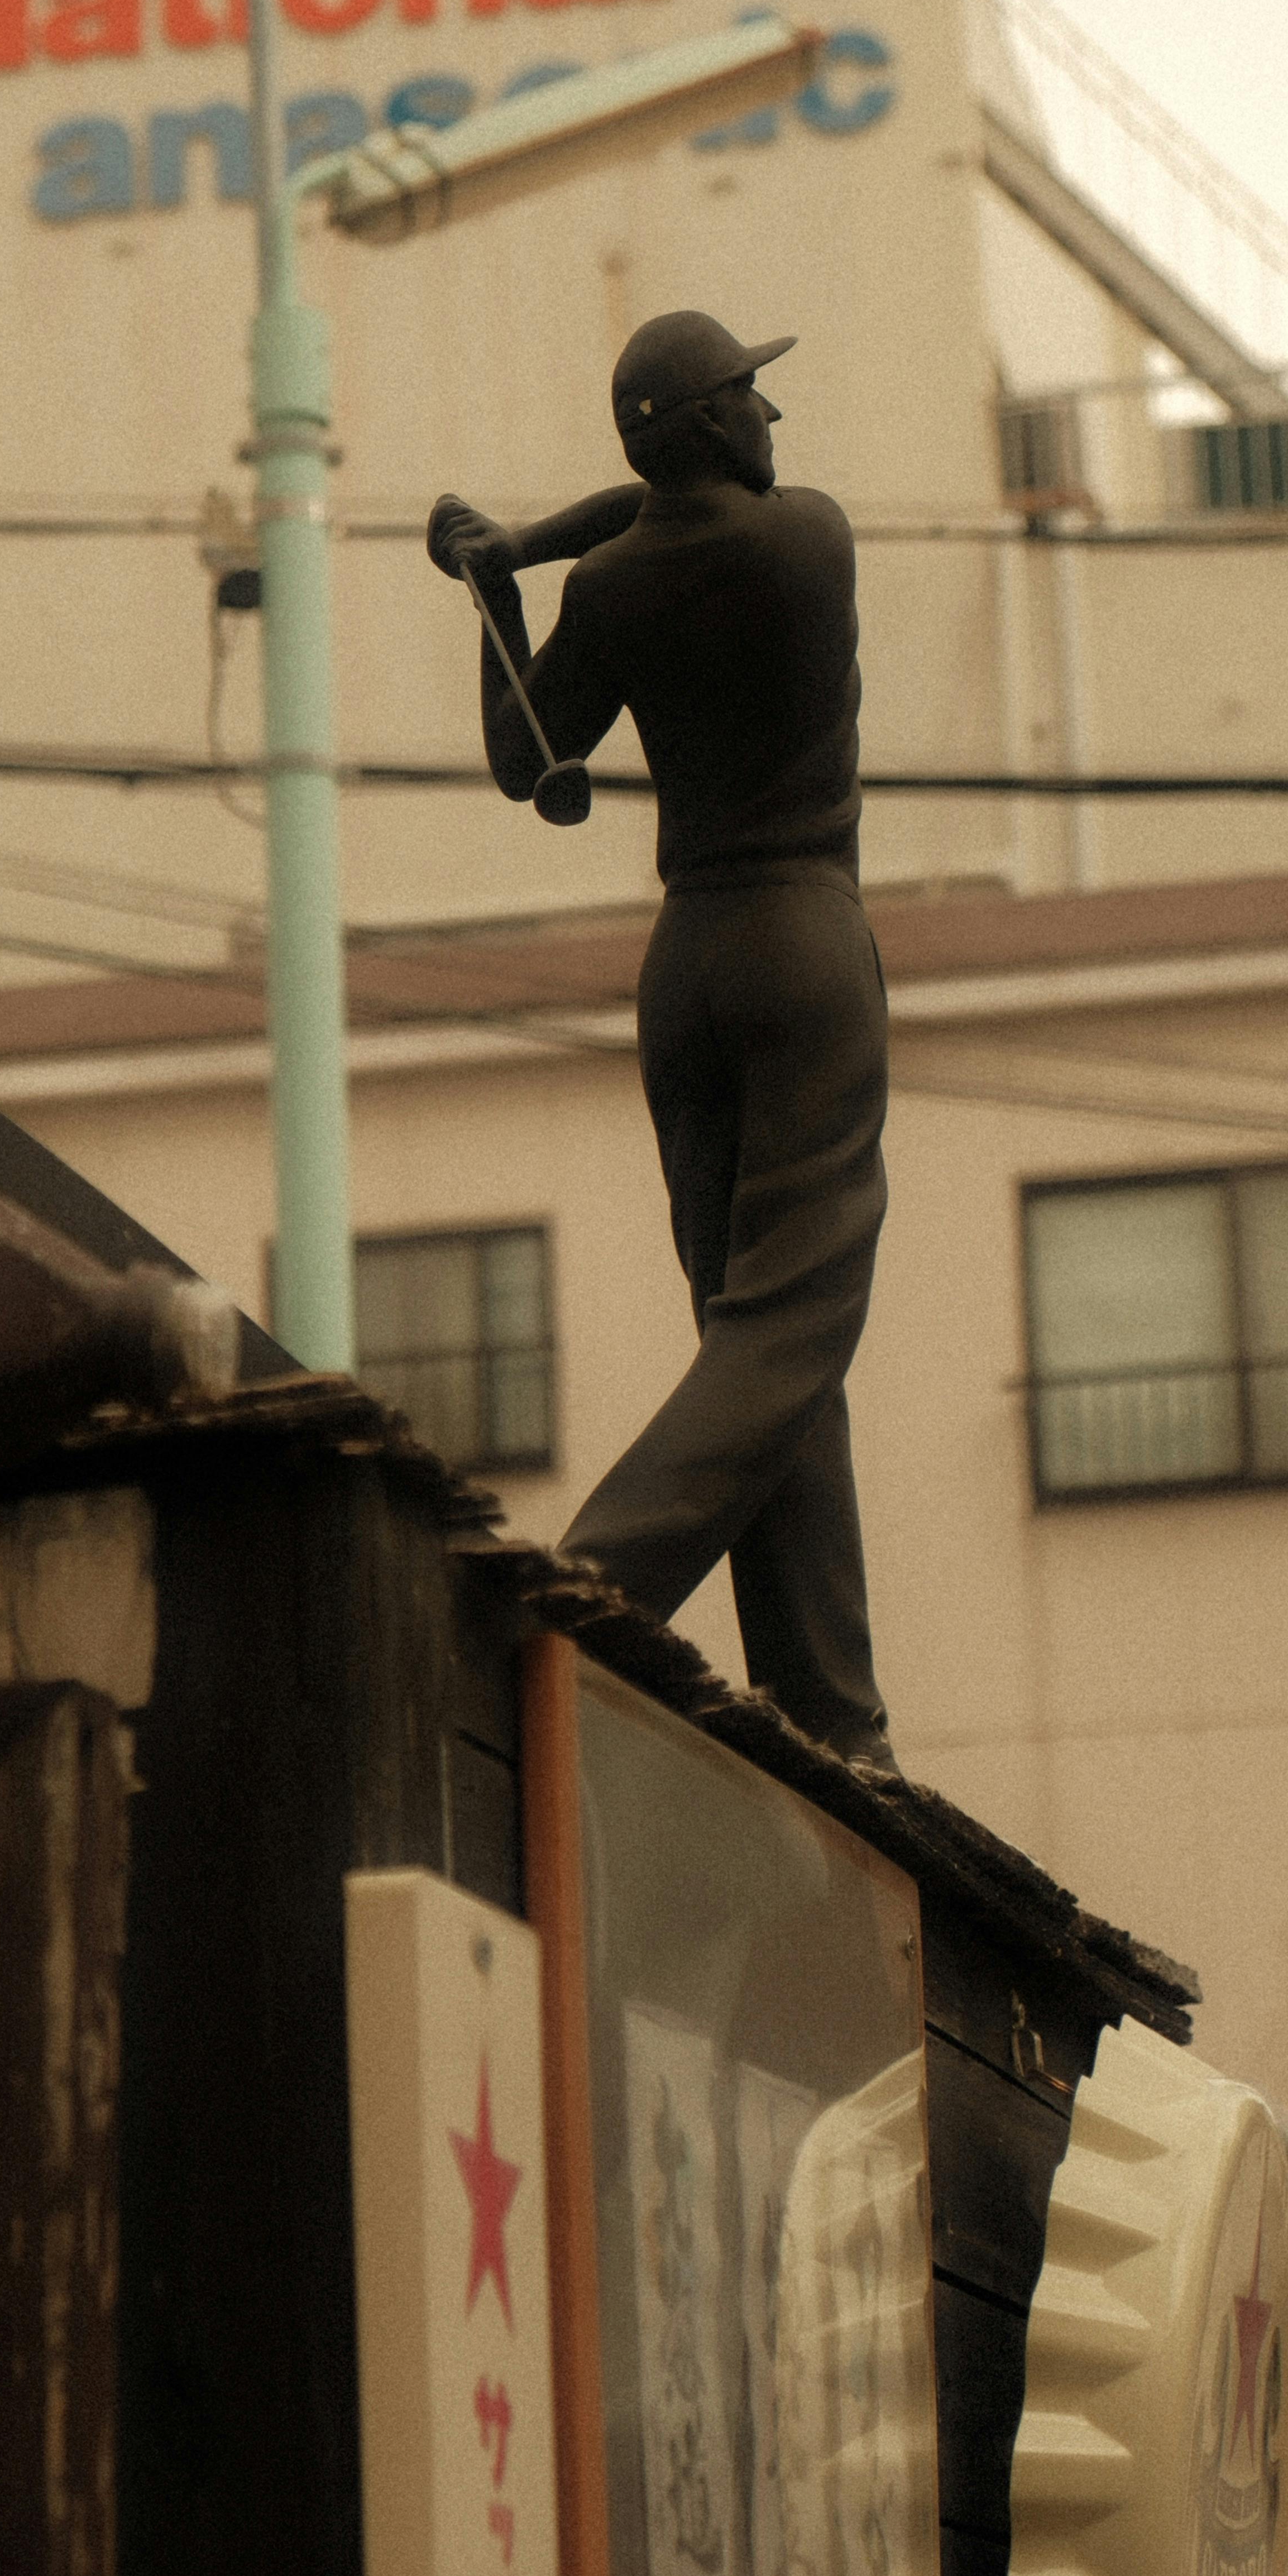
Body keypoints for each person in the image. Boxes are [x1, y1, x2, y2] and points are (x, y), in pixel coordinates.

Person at [427, 309, 894, 1769]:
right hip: (806, 947)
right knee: (787, 1327)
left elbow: (525, 756)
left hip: (685, 967)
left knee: (756, 1343)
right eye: (751, 396)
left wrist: (503, 584)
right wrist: (527, 545)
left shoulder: (620, 592)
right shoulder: (806, 544)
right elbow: (672, 499)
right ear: (709, 426)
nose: (773, 418)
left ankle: (832, 1708)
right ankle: (593, 1587)